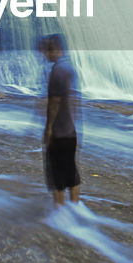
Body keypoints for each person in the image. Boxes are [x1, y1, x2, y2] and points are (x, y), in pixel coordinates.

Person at [40, 34, 80, 207]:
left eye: (50, 50)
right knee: (71, 173)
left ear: (58, 51)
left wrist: (48, 129)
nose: (47, 54)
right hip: (71, 131)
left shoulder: (56, 72)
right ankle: (75, 208)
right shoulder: (70, 69)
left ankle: (60, 211)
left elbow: (54, 102)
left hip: (59, 132)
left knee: (56, 175)